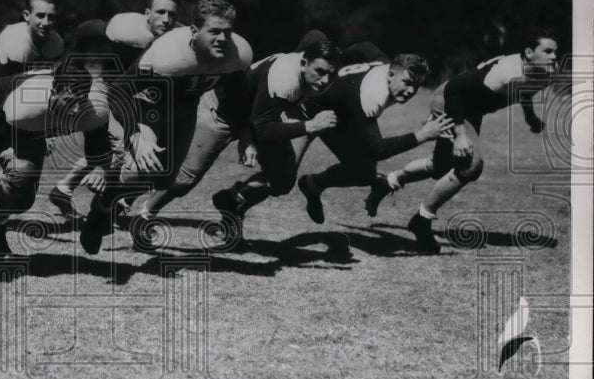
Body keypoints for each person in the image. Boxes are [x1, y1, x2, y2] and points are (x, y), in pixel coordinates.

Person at [80, 0, 253, 254]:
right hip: (147, 105)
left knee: (163, 179)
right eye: (214, 31)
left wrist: (247, 135)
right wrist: (137, 137)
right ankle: (101, 209)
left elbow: (238, 97)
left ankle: (113, 196)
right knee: (144, 165)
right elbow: (118, 93)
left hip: (184, 109)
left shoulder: (238, 54)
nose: (222, 39)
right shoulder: (167, 53)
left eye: (227, 31)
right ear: (194, 32)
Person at [365, 29, 559, 252]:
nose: (554, 56)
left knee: (439, 167)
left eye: (555, 51)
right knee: (471, 165)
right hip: (449, 101)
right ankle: (422, 220)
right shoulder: (504, 73)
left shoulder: (543, 75)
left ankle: (386, 182)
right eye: (547, 51)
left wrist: (531, 117)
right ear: (528, 52)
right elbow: (456, 89)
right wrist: (460, 135)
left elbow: (525, 89)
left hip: (471, 109)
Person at [0, 21, 115, 255]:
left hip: (32, 131)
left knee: (24, 199)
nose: (74, 112)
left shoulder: (92, 111)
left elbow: (98, 146)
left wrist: (99, 168)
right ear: (53, 93)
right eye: (68, 103)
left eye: (80, 104)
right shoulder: (23, 102)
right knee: (17, 173)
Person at [48, 0, 181, 219]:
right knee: (124, 145)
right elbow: (82, 46)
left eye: (172, 14)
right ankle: (111, 203)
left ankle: (65, 190)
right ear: (146, 12)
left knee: (145, 147)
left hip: (133, 98)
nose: (166, 19)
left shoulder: (175, 39)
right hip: (105, 91)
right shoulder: (119, 32)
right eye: (160, 12)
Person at [196, 38, 343, 243]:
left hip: (260, 114)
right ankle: (144, 212)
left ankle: (230, 200)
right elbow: (262, 129)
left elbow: (314, 34)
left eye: (332, 74)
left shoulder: (307, 63)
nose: (326, 80)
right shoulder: (285, 80)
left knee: (282, 180)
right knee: (185, 180)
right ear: (304, 62)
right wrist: (310, 126)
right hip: (228, 110)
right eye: (320, 71)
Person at [291, 49, 454, 232]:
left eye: (416, 86)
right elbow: (376, 149)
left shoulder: (383, 63)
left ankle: (312, 185)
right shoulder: (373, 95)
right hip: (307, 112)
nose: (410, 91)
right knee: (279, 181)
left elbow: (364, 45)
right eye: (407, 82)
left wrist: (341, 59)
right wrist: (422, 135)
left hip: (336, 113)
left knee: (363, 171)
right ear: (391, 74)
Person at [0, 0, 64, 82]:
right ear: (27, 15)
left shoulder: (56, 43)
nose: (46, 22)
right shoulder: (12, 43)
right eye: (40, 16)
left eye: (51, 17)